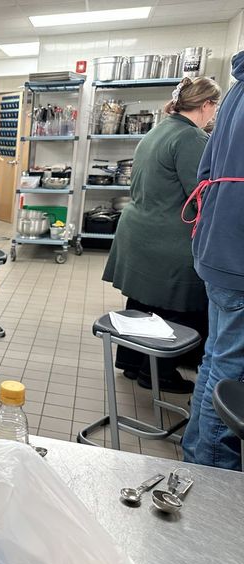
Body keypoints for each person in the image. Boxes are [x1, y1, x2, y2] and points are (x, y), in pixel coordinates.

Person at [102, 76, 220, 394]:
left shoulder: (159, 130)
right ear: (207, 105)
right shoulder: (191, 138)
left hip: (139, 232)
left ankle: (131, 362)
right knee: (176, 305)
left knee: (142, 301)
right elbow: (201, 195)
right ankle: (158, 373)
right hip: (168, 240)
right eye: (215, 107)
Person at [182, 51, 244, 470]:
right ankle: (213, 473)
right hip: (235, 255)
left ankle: (196, 454)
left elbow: (204, 176)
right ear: (203, 105)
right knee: (229, 368)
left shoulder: (237, 93)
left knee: (217, 360)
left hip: (219, 248)